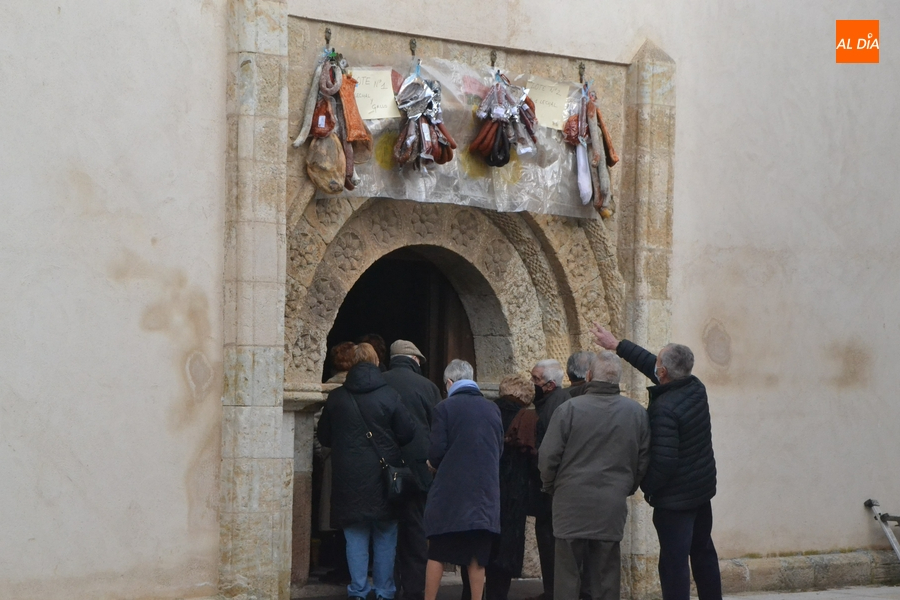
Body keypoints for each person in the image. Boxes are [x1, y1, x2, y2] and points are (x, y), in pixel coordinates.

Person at [590, 323, 722, 600]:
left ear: (663, 373)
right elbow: (653, 365)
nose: (656, 366)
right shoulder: (695, 387)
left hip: (675, 502)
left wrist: (647, 487)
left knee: (674, 565)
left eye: (659, 364)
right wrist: (618, 345)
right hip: (701, 493)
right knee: (703, 553)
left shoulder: (665, 409)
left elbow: (664, 462)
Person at [538, 351, 650, 600]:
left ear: (588, 376)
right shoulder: (636, 413)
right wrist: (626, 487)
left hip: (569, 500)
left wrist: (551, 486)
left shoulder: (568, 409)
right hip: (611, 501)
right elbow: (642, 460)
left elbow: (548, 456)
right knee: (606, 574)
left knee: (567, 575)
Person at [317, 343, 417, 600]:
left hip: (348, 477)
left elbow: (324, 436)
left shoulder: (337, 397)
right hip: (384, 477)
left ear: (351, 363)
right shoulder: (389, 394)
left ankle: (359, 589)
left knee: (355, 535)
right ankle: (384, 590)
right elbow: (407, 433)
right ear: (376, 362)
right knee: (386, 534)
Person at [423, 359, 503, 600]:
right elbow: (498, 449)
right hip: (484, 493)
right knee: (477, 556)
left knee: (438, 551)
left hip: (451, 494)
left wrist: (432, 465)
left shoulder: (444, 408)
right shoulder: (492, 408)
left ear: (449, 382)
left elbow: (437, 452)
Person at [460, 374, 538, 600]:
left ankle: (470, 594)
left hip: (481, 490)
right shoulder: (528, 418)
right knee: (504, 553)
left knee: (475, 548)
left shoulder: (484, 412)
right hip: (513, 495)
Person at [382, 340, 443, 600]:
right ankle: (415, 586)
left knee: (385, 526)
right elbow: (438, 426)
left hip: (385, 466)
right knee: (416, 526)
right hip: (419, 468)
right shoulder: (428, 386)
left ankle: (387, 585)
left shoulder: (380, 382)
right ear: (414, 360)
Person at [316, 341, 358, 583]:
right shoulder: (362, 388)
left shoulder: (331, 388)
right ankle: (354, 569)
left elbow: (318, 429)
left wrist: (321, 454)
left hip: (333, 458)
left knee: (337, 516)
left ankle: (342, 567)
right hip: (357, 460)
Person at [529, 358, 570, 600]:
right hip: (552, 486)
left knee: (550, 538)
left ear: (550, 385)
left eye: (536, 379)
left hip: (552, 486)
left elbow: (549, 449)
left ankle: (554, 591)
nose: (532, 383)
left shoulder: (556, 405)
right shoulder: (553, 401)